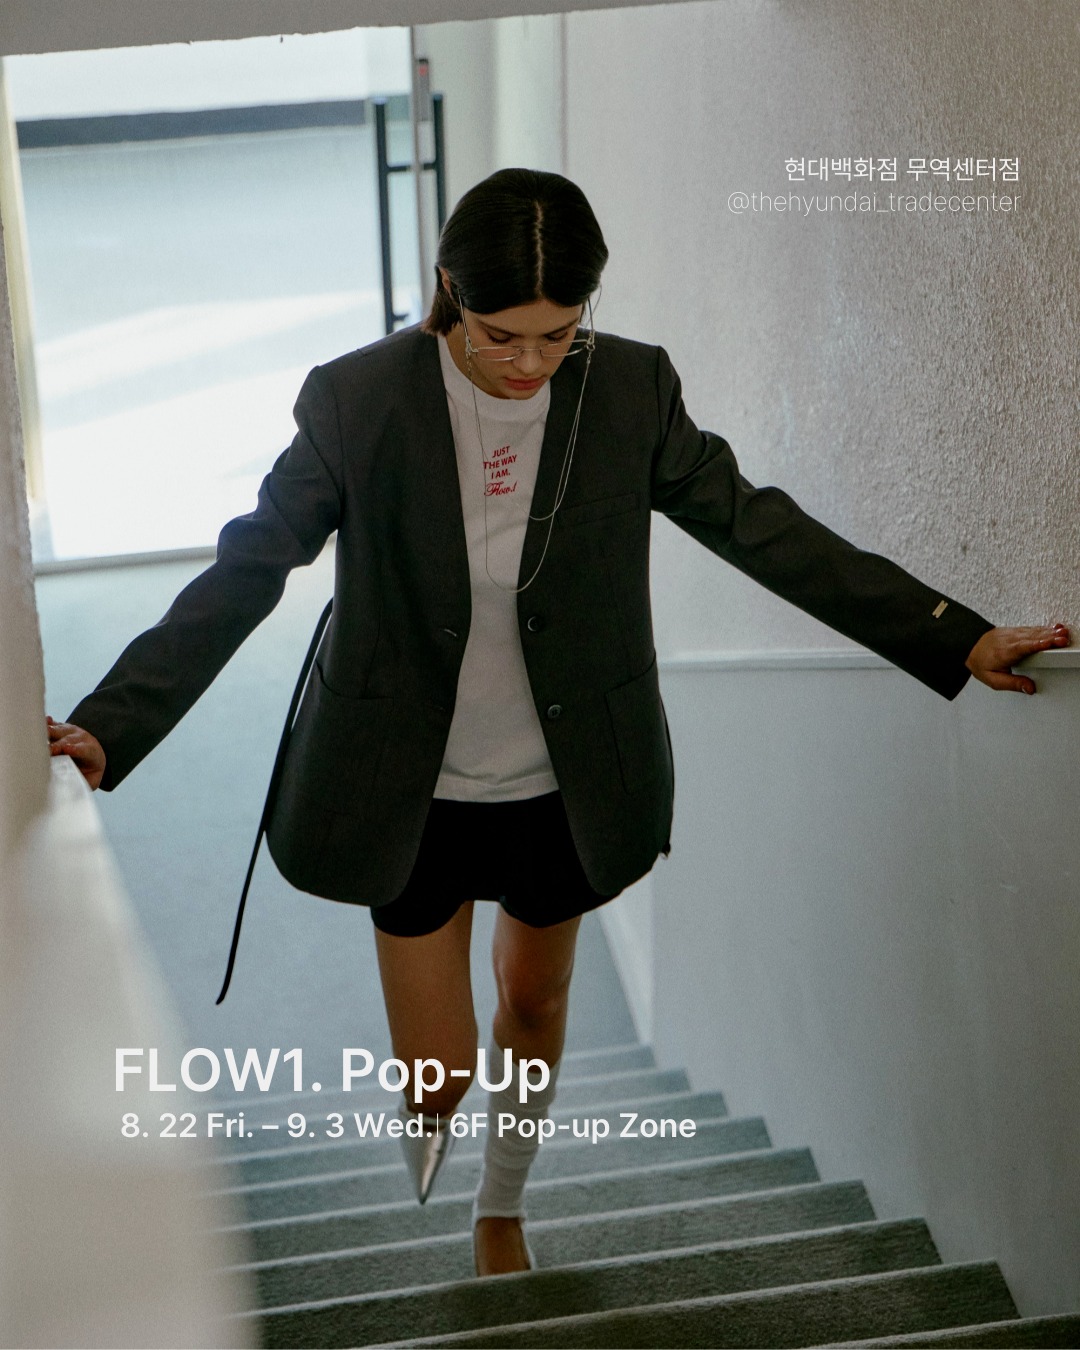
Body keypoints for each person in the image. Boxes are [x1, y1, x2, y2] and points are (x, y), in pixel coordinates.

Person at [46, 167, 1070, 1278]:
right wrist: (113, 722)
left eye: (559, 333)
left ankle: (502, 1205)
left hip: (563, 779)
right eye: (502, 337)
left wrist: (951, 635)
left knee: (533, 1007)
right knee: (438, 1071)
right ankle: (436, 1136)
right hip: (408, 780)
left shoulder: (630, 389)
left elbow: (758, 528)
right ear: (450, 292)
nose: (531, 363)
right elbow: (248, 569)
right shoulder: (357, 399)